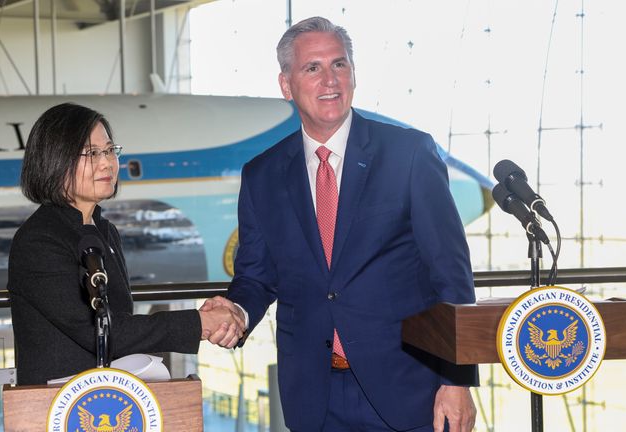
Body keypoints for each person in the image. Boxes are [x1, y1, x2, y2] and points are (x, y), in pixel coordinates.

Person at [202, 17, 478, 432]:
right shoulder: (262, 175)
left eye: (340, 64)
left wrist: (456, 379)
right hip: (314, 396)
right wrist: (237, 310)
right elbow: (257, 276)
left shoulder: (408, 153)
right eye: (312, 67)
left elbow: (451, 275)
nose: (329, 79)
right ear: (286, 84)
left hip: (407, 391)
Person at [8, 103, 243, 385]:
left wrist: (201, 322)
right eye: (92, 153)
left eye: (109, 150)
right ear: (55, 160)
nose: (107, 162)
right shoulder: (40, 240)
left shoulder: (104, 232)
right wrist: (200, 323)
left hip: (107, 397)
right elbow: (100, 331)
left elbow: (118, 320)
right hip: (56, 408)